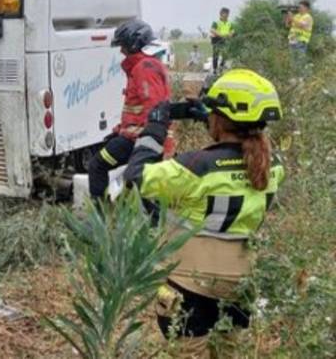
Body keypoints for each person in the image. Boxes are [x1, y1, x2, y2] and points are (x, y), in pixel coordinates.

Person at [122, 69, 284, 355]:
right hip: (241, 284)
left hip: (190, 282)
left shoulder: (194, 166)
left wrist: (154, 130)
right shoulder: (273, 167)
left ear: (220, 118)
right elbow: (240, 148)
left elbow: (135, 176)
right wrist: (211, 119)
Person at [86, 20, 173, 202]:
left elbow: (155, 108)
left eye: (123, 46)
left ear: (134, 44)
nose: (121, 51)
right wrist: (119, 130)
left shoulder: (143, 68)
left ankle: (99, 216)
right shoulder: (146, 65)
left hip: (139, 139)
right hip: (137, 136)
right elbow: (138, 110)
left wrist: (161, 142)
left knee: (97, 166)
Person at [209, 7, 234, 73]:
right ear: (221, 14)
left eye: (227, 14)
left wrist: (230, 34)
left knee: (225, 54)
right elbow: (212, 29)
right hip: (217, 39)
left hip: (225, 40)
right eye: (224, 13)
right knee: (215, 55)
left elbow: (232, 30)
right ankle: (215, 69)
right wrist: (220, 35)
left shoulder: (230, 23)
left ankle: (221, 66)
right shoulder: (216, 22)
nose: (226, 15)